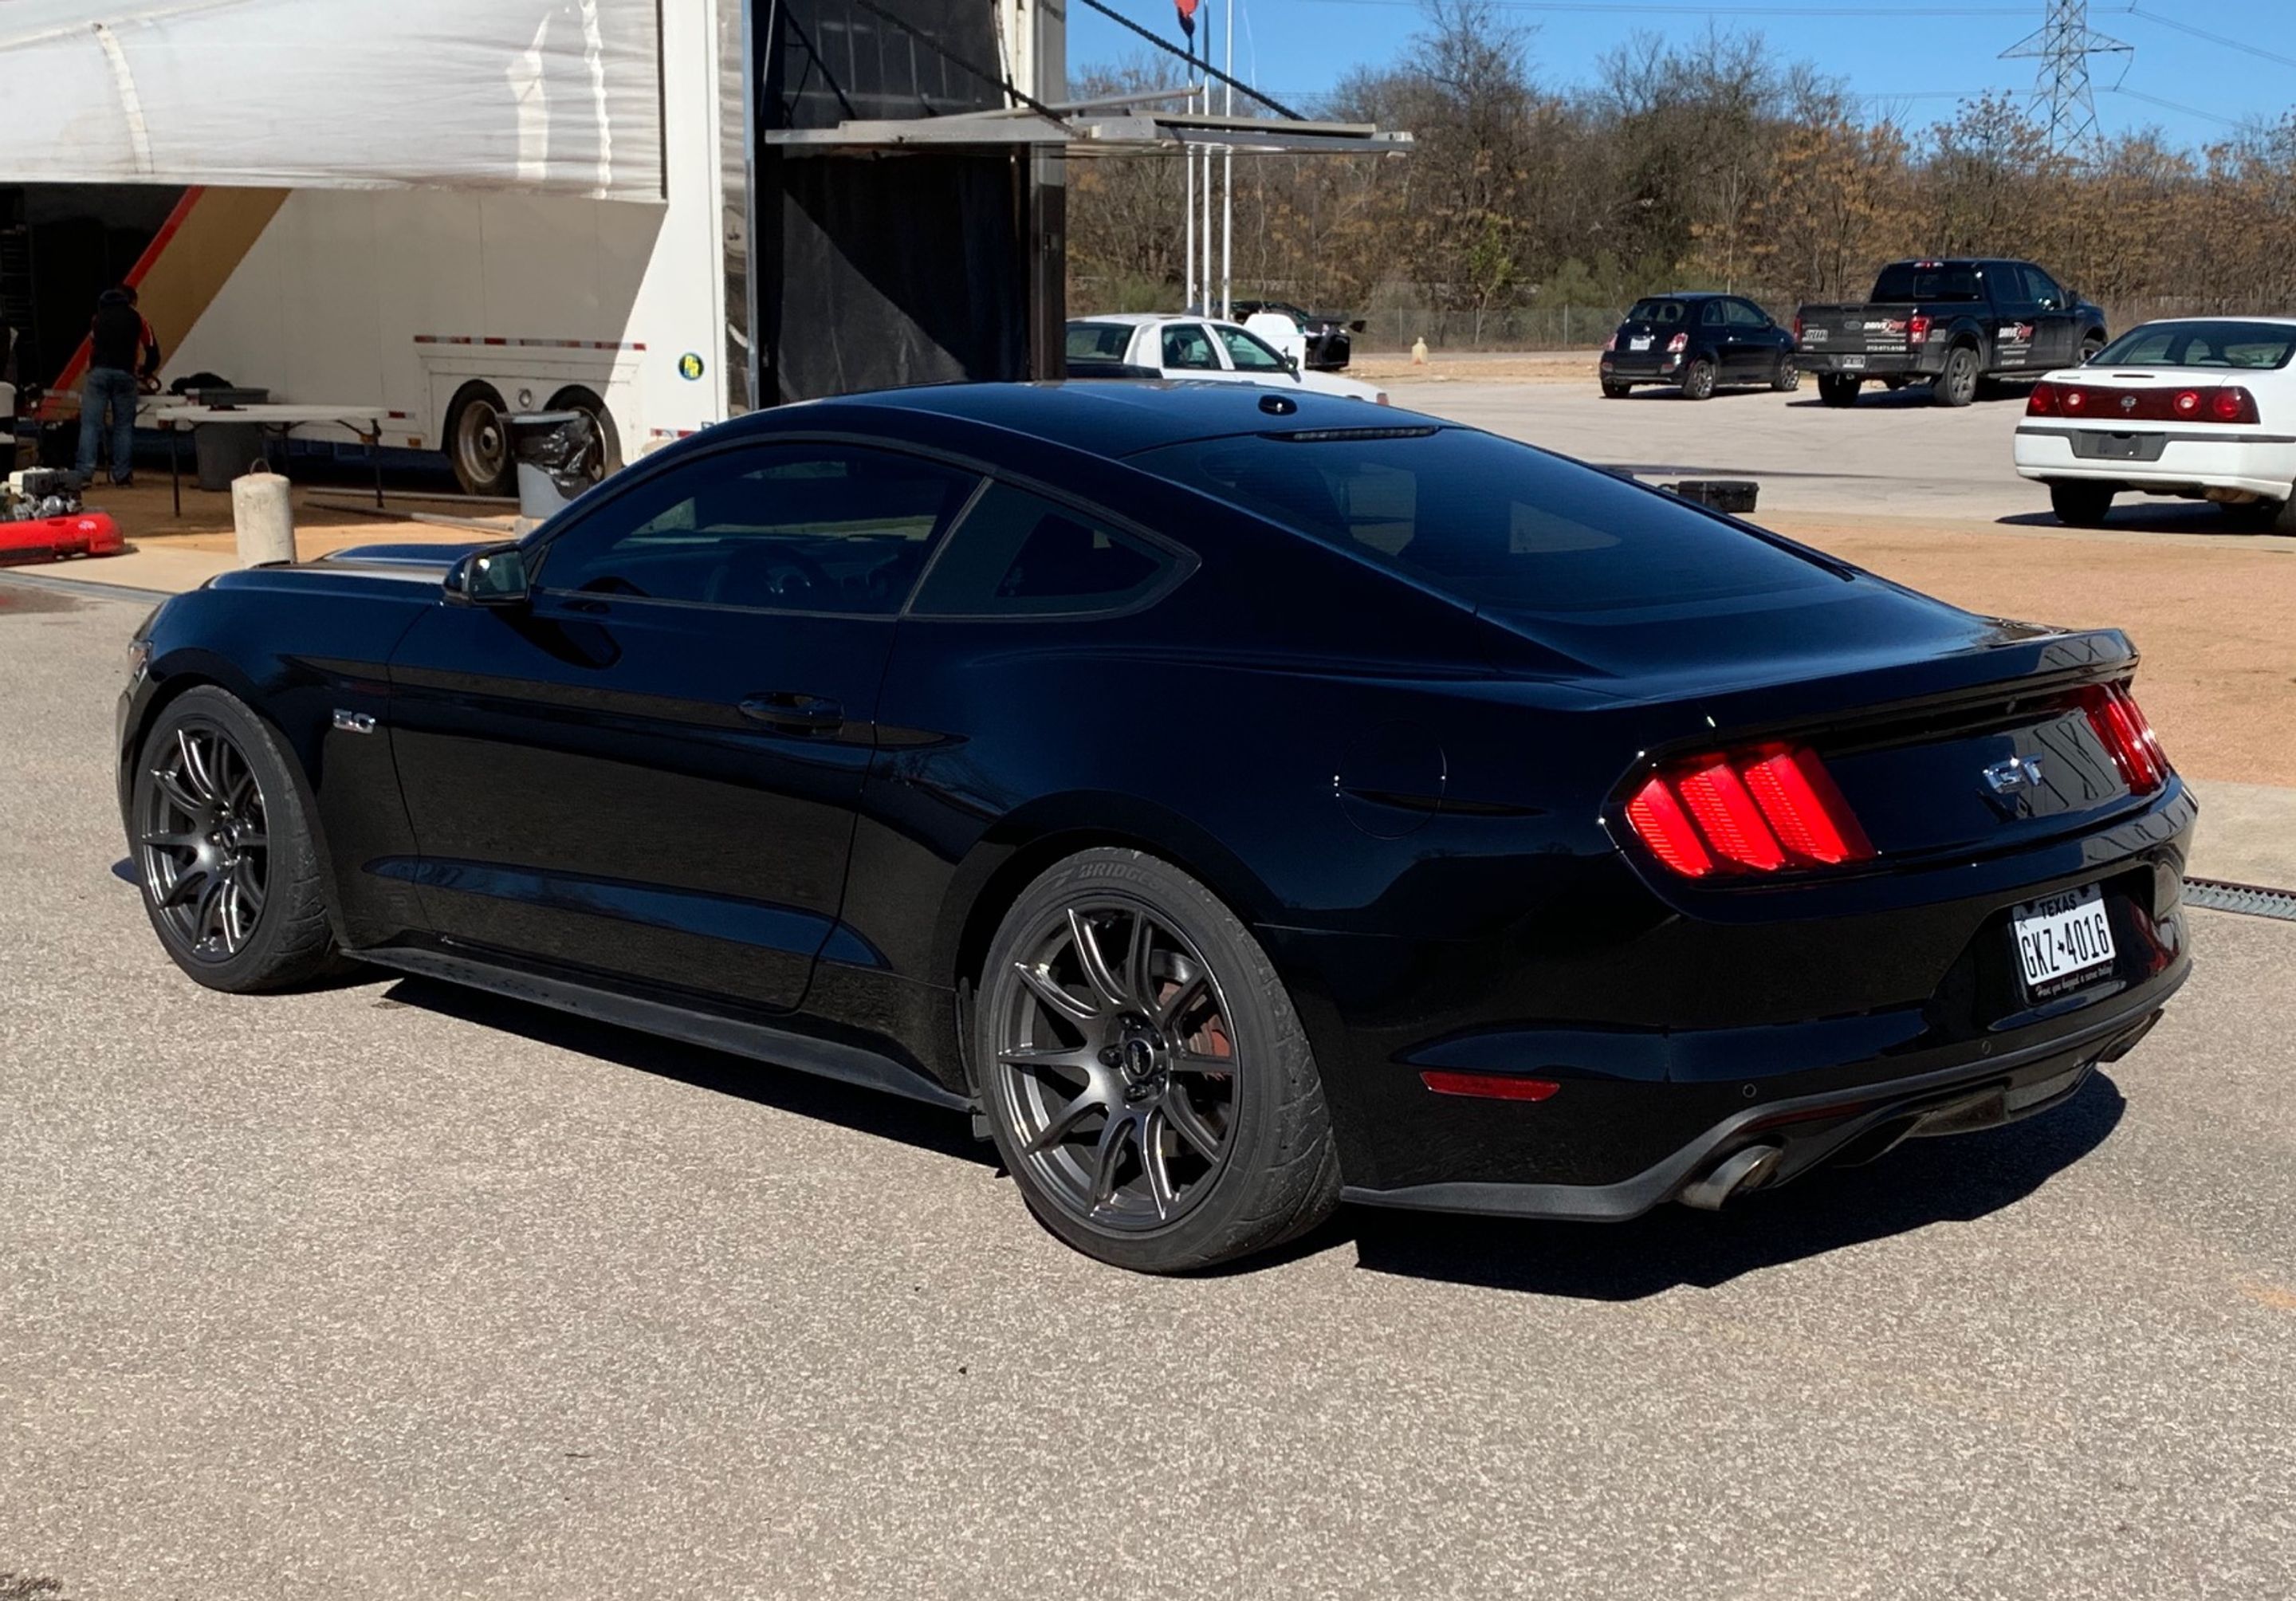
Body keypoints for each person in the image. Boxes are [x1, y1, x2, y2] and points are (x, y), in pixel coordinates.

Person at [77, 285, 161, 486]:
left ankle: (84, 474)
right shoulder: (138, 319)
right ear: (131, 301)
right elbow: (153, 351)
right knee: (123, 427)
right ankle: (122, 475)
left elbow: (92, 348)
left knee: (90, 425)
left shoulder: (98, 318)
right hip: (126, 375)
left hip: (98, 375)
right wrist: (145, 371)